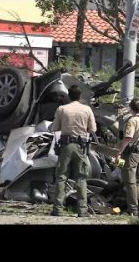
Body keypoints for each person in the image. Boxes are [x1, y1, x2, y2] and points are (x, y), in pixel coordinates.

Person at [50, 85, 97, 217]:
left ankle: (58, 209)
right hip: (81, 146)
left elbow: (55, 128)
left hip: (66, 145)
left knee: (61, 177)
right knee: (81, 178)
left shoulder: (62, 109)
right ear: (80, 96)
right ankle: (82, 210)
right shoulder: (87, 109)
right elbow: (93, 129)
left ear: (69, 96)